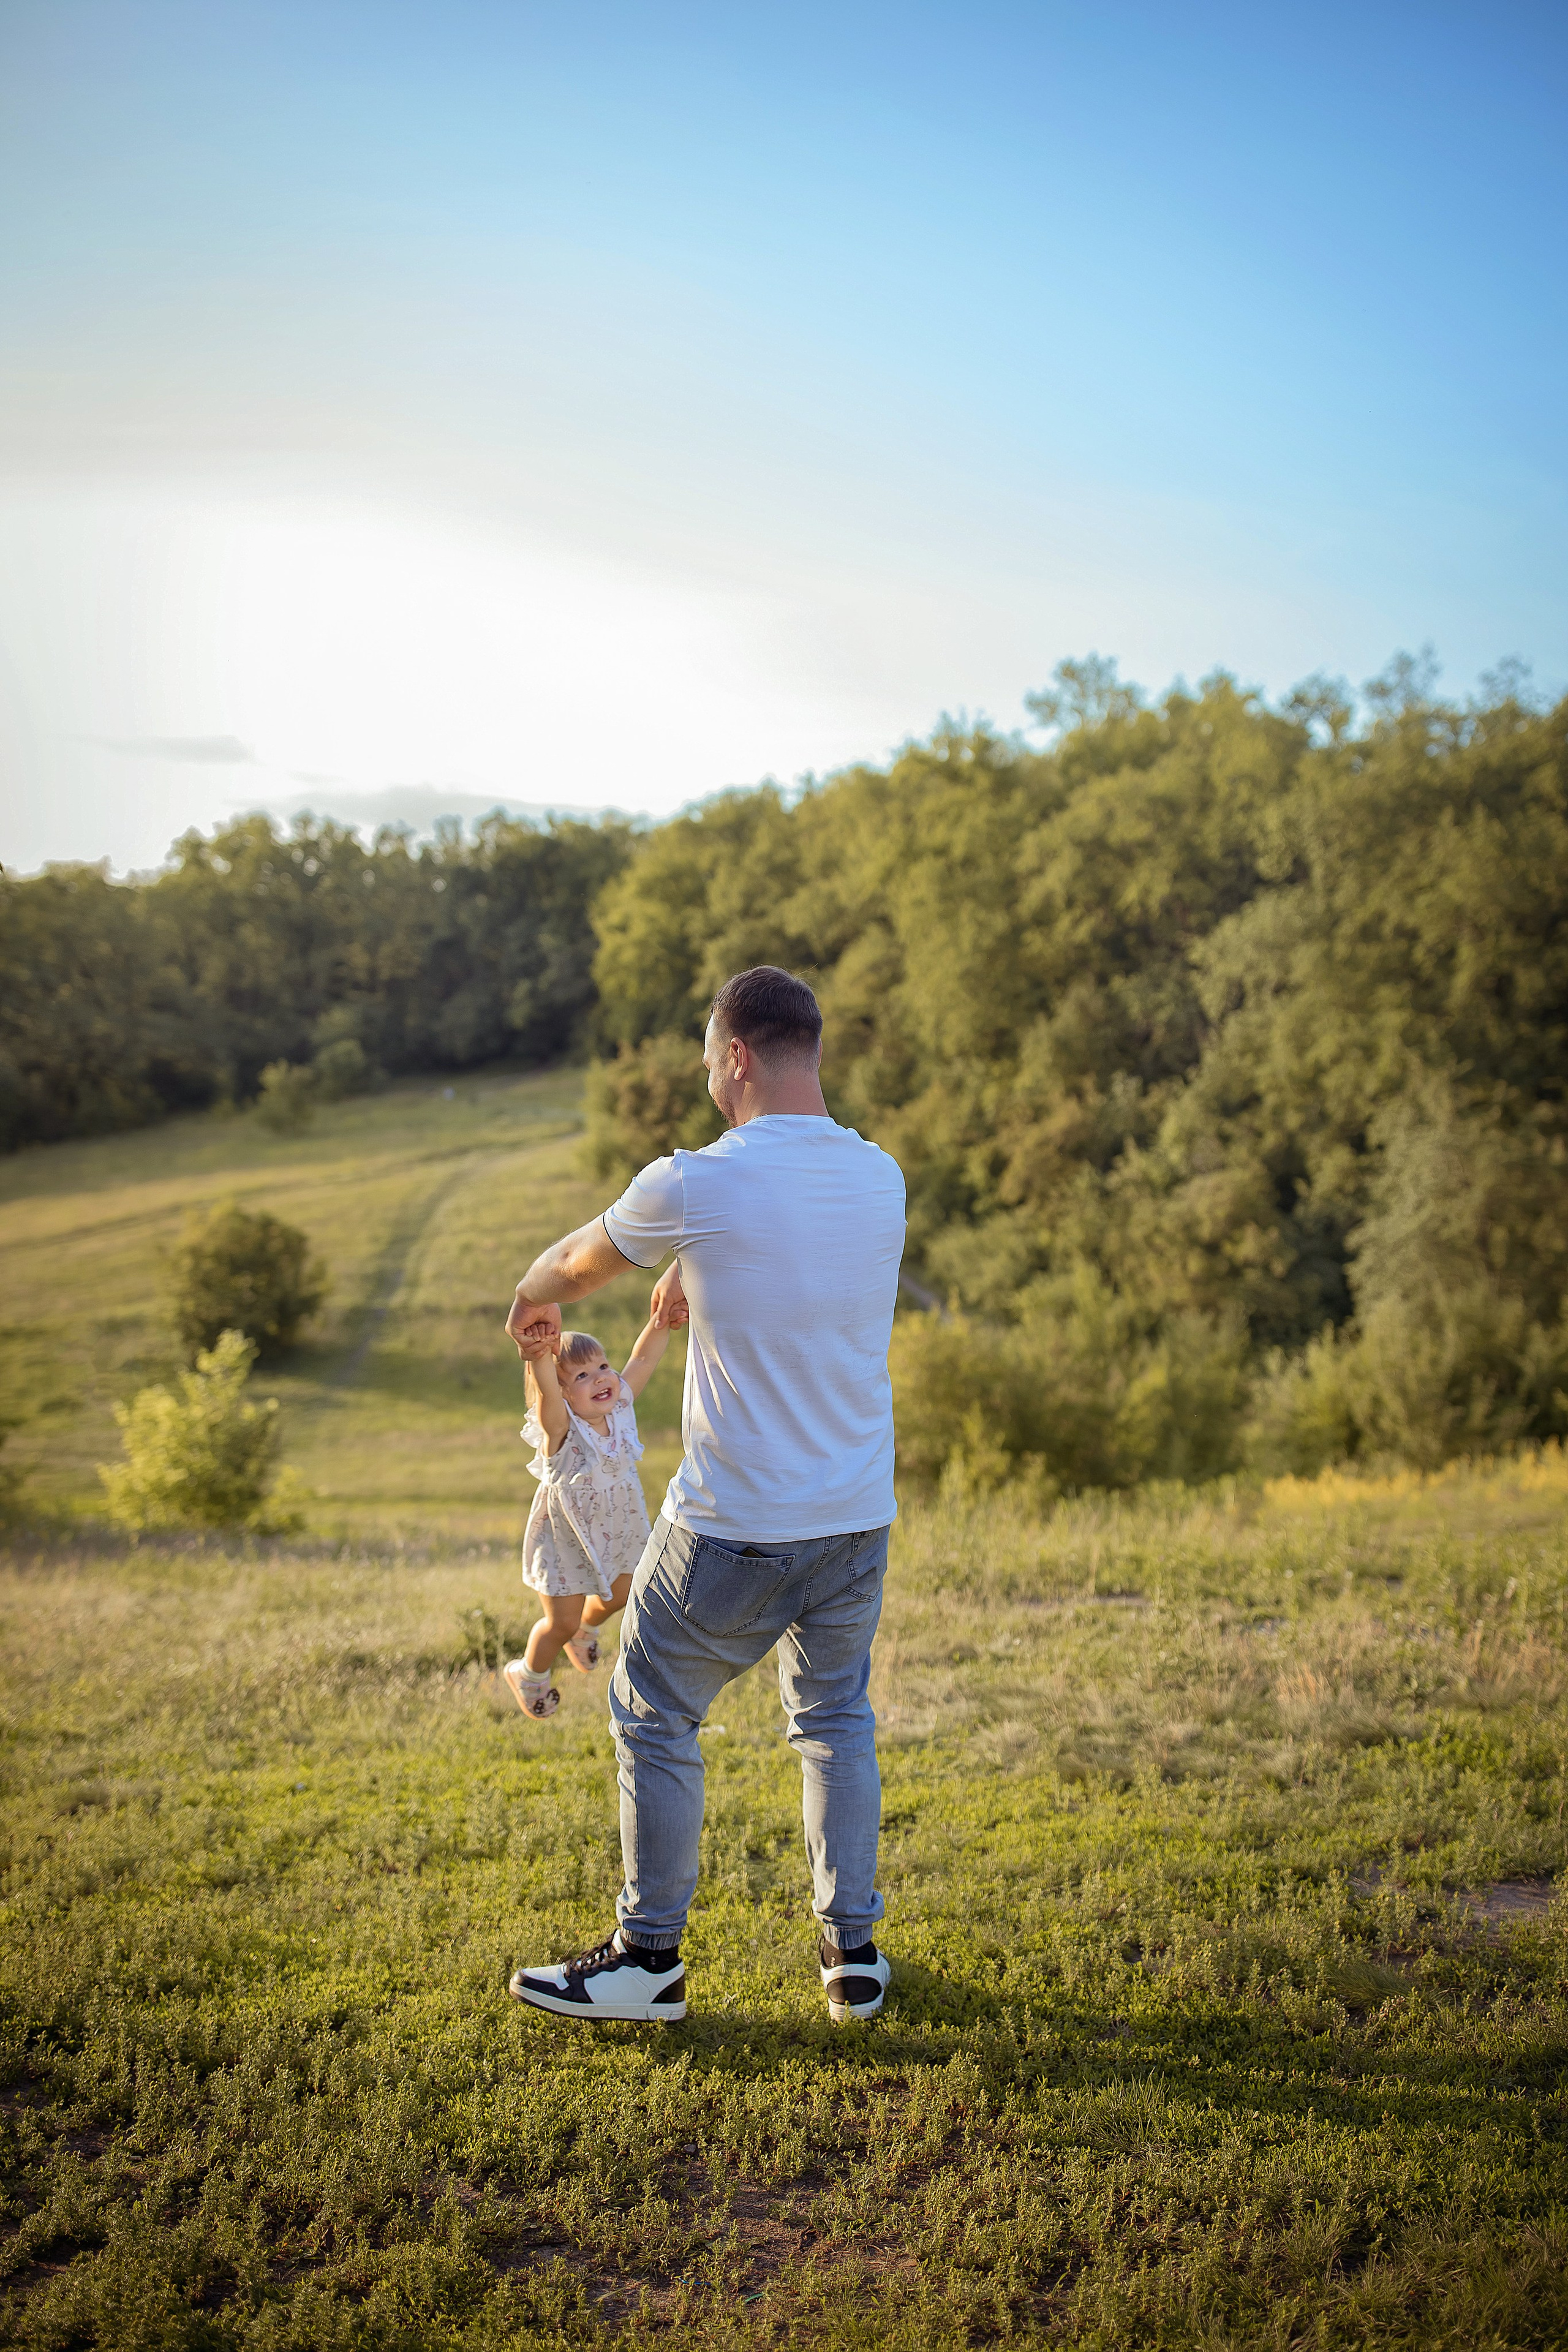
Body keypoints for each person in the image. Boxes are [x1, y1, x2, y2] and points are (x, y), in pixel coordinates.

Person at [502, 965, 906, 2028]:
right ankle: (853, 1957)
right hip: (858, 1514)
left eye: (706, 1057)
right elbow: (804, 1283)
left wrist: (528, 1297)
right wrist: (702, 1278)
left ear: (734, 1056)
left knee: (649, 1706)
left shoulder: (697, 1181)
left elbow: (575, 1265)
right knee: (834, 1717)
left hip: (738, 1522)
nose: (706, 1075)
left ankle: (648, 1961)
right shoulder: (880, 1175)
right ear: (808, 1050)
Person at [502, 1300, 685, 1721]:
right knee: (559, 1624)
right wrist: (538, 1355)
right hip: (567, 1541)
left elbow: (641, 1359)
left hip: (618, 1529)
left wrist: (658, 1322)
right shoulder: (561, 1430)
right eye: (582, 1377)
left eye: (602, 1367)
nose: (601, 1379)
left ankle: (587, 1628)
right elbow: (547, 1389)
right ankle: (529, 1673)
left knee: (622, 1592)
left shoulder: (619, 1409)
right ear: (565, 1395)